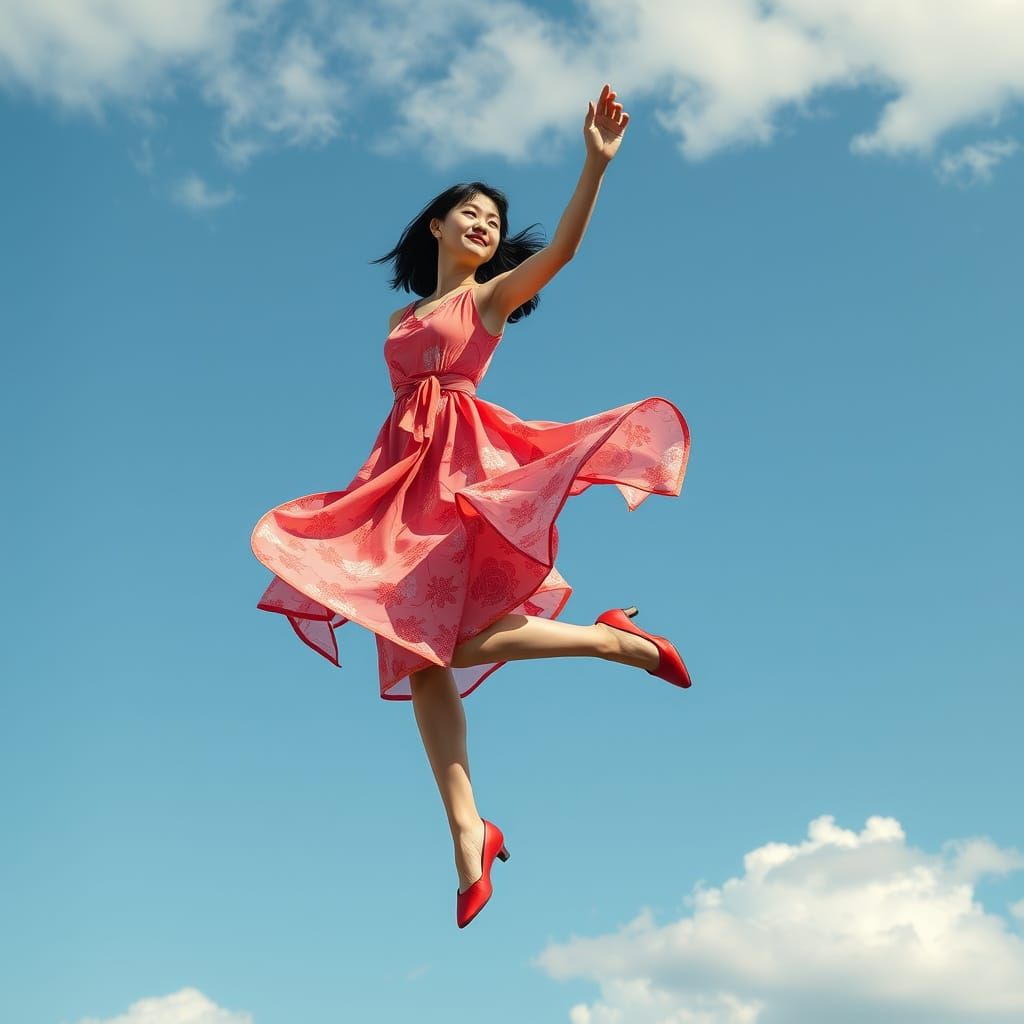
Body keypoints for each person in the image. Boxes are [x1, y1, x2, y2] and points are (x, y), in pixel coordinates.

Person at [250, 84, 693, 928]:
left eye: (494, 219)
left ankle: (610, 640)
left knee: (433, 642)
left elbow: (562, 251)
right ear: (437, 226)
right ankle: (467, 835)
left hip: (460, 468)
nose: (486, 225)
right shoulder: (403, 313)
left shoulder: (486, 300)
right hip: (401, 475)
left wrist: (595, 166)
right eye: (472, 214)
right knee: (416, 655)